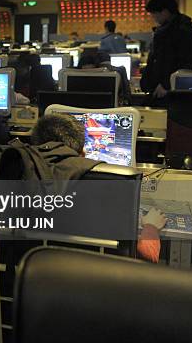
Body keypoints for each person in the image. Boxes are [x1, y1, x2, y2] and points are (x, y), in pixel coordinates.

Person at [31, 113, 166, 263]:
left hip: (28, 279)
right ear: (82, 153)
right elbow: (147, 258)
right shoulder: (110, 184)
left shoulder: (15, 172)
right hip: (96, 282)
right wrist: (151, 227)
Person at [141, 0, 192, 103]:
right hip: (158, 89)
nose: (153, 18)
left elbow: (188, 63)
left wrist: (166, 85)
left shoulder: (183, 31)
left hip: (168, 93)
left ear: (165, 11)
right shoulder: (164, 30)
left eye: (154, 14)